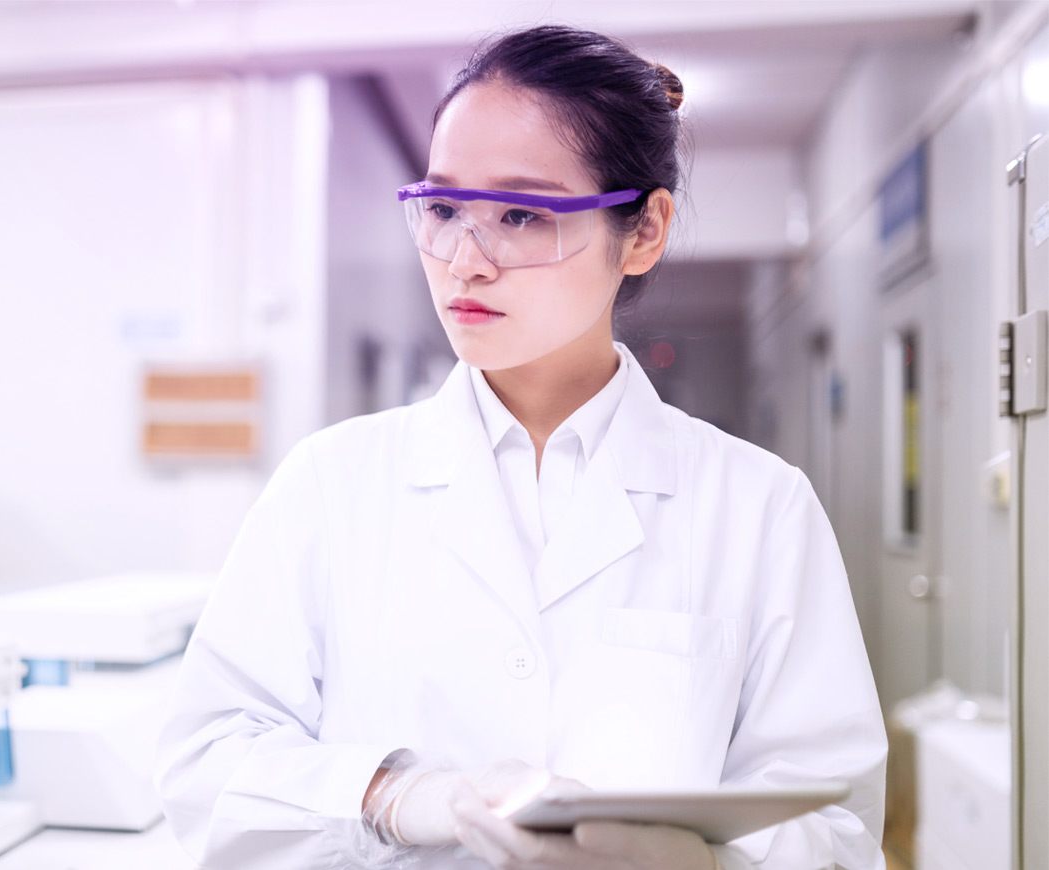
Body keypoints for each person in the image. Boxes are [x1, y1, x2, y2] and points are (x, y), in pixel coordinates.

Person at [155, 24, 886, 870]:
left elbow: (838, 830)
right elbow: (207, 765)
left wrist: (704, 863)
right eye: (442, 209)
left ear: (644, 231)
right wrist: (394, 796)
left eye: (522, 214)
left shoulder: (759, 506)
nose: (465, 261)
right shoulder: (330, 484)